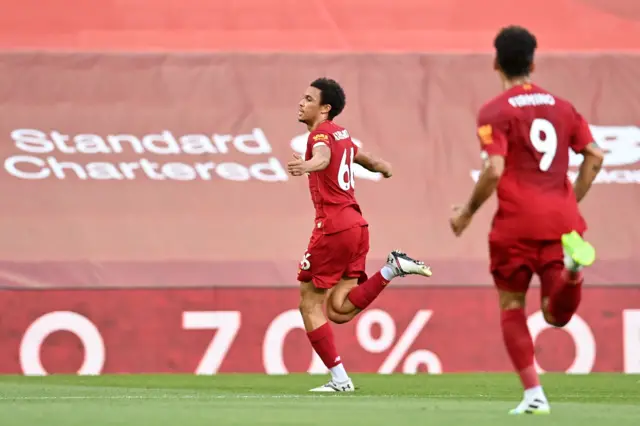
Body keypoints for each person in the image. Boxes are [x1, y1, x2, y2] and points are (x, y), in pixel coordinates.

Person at [449, 26, 604, 415]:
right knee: (556, 314)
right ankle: (573, 271)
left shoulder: (494, 111)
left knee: (512, 305)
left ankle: (534, 394)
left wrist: (466, 212)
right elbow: (596, 156)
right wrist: (569, 201)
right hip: (561, 225)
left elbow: (494, 168)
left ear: (496, 63)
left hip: (515, 226)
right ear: (533, 62)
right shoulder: (563, 107)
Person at [287, 77, 432, 392]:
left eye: (309, 99)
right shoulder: (341, 134)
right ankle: (392, 268)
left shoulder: (321, 135)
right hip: (357, 226)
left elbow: (323, 158)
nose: (301, 102)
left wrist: (307, 166)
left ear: (325, 108)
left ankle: (340, 380)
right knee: (339, 310)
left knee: (309, 302)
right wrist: (382, 166)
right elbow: (358, 156)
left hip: (334, 227)